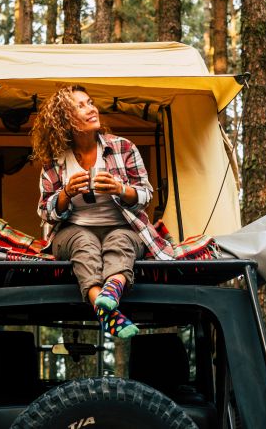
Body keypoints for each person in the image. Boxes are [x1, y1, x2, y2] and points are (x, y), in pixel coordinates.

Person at [32, 85, 171, 339]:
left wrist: (121, 189)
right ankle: (106, 312)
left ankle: (110, 293)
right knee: (83, 243)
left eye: (91, 102)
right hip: (72, 231)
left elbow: (146, 195)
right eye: (81, 106)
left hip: (122, 226)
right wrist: (65, 195)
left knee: (121, 241)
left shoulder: (123, 147)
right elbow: (45, 211)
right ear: (64, 120)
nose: (91, 109)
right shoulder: (54, 161)